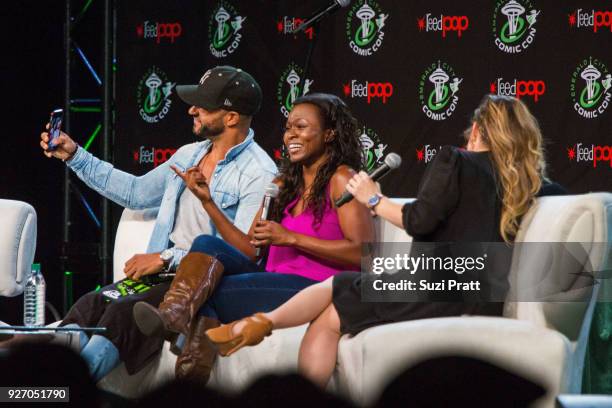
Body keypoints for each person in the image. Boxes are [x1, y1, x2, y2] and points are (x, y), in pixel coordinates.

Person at [205, 94, 565, 387]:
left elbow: (419, 220)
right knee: (337, 297)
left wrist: (372, 197)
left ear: (477, 130)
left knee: (335, 300)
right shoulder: (534, 187)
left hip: (436, 288)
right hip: (484, 297)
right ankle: (260, 323)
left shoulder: (455, 161)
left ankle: (263, 328)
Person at [11, 66, 277, 382]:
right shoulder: (188, 155)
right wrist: (75, 156)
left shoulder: (259, 173)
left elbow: (243, 254)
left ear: (231, 117)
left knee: (122, 315)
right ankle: (38, 385)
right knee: (90, 304)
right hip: (159, 276)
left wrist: (166, 258)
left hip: (200, 284)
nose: (192, 109)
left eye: (202, 106)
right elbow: (136, 193)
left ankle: (67, 393)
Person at [134, 93, 375, 382]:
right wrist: (208, 202)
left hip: (317, 287)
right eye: (288, 128)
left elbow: (364, 252)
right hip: (272, 277)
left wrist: (291, 238)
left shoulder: (342, 179)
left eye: (301, 127)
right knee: (206, 245)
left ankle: (186, 372)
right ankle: (174, 319)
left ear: (329, 134)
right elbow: (250, 250)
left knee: (209, 292)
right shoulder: (283, 184)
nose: (291, 135)